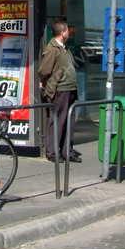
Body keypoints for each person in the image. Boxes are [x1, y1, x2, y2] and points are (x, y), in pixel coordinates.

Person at [38, 19, 80, 162]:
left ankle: (67, 150)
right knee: (58, 121)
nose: (69, 32)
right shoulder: (52, 48)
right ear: (63, 32)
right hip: (60, 89)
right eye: (68, 30)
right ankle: (53, 152)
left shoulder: (64, 48)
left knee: (69, 120)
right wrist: (46, 85)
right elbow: (44, 70)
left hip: (70, 89)